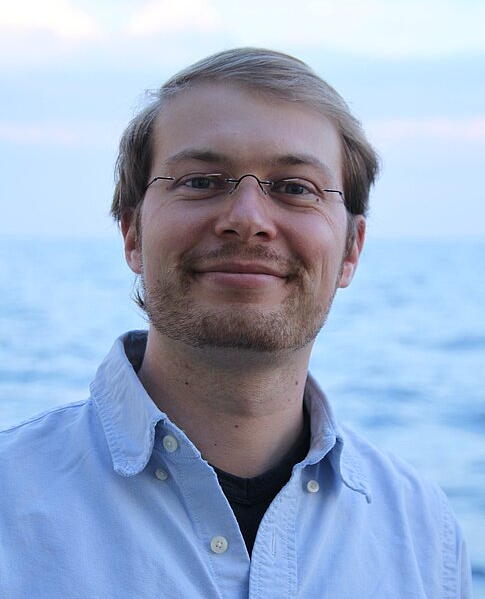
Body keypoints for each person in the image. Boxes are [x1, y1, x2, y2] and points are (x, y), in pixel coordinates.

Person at [0, 48, 472, 598]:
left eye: (295, 188)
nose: (247, 219)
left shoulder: (424, 533)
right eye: (201, 181)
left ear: (351, 249)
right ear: (132, 233)